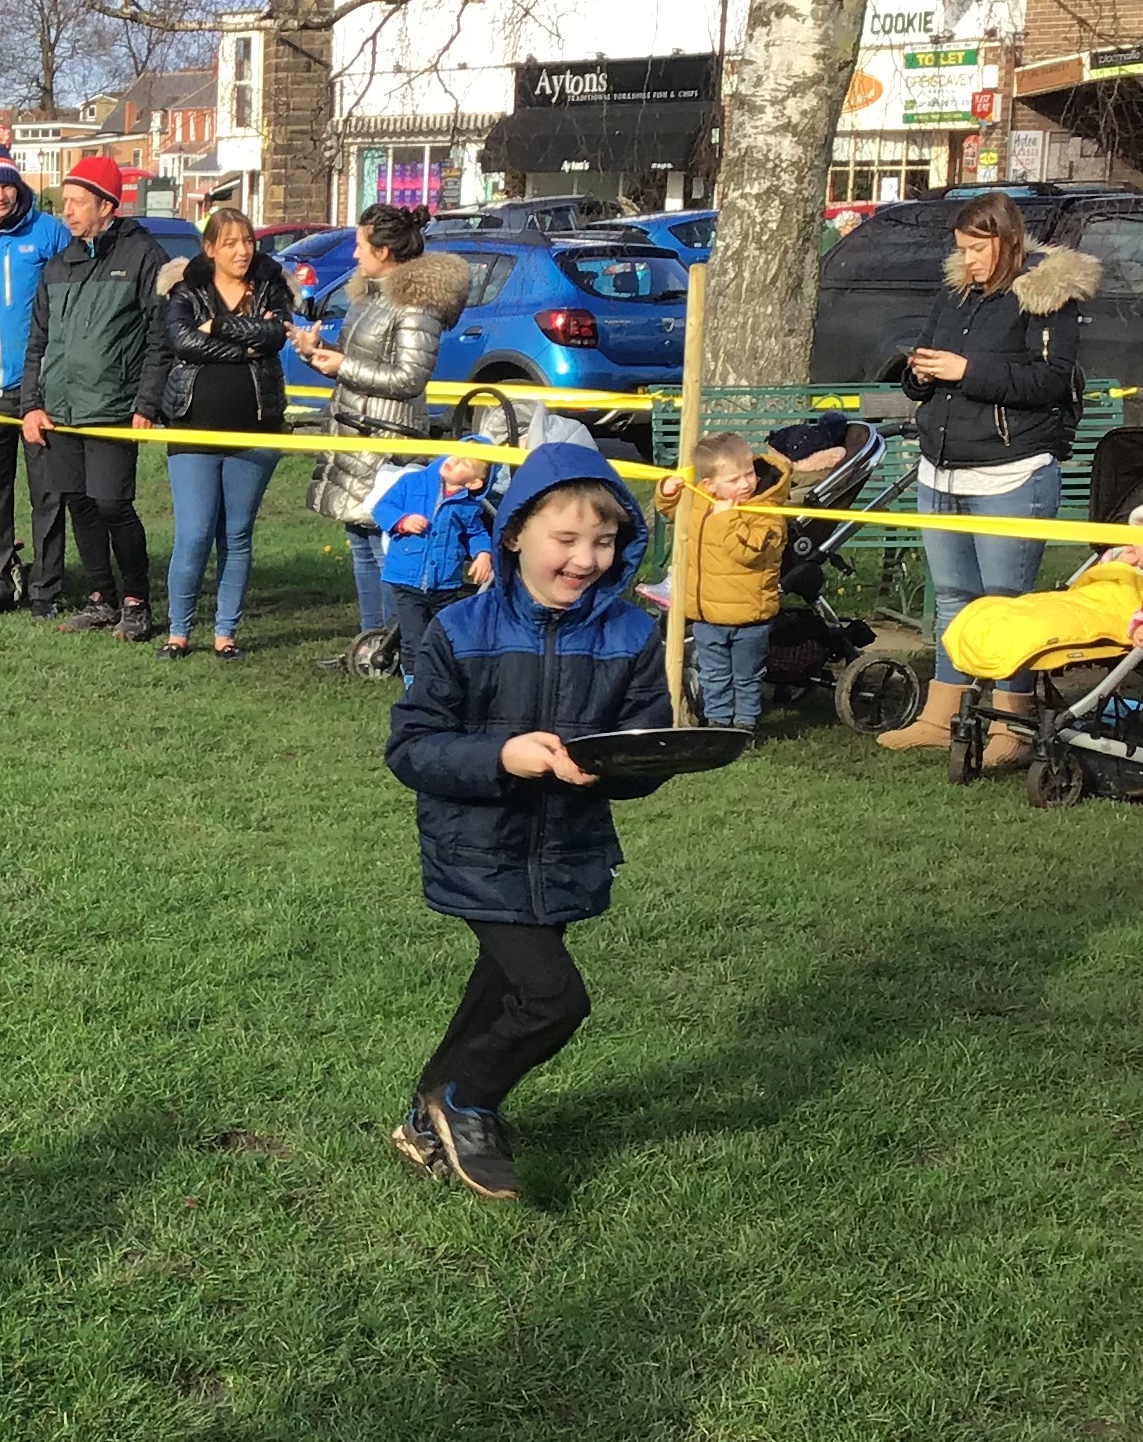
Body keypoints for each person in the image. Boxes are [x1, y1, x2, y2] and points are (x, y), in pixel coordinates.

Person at [385, 443, 672, 1202]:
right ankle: (469, 1100)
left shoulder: (633, 635)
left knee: (498, 987)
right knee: (552, 999)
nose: (586, 559)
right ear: (514, 534)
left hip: (568, 851)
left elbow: (646, 747)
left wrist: (631, 764)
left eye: (604, 542)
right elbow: (412, 748)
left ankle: (425, 1118)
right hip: (478, 846)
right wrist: (502, 755)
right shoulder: (457, 629)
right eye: (567, 539)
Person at [878, 190, 1100, 765]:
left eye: (978, 247)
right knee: (953, 600)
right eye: (962, 248)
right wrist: (920, 377)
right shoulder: (953, 294)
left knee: (1007, 604)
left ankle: (1013, 723)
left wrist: (967, 371)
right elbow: (926, 367)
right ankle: (942, 713)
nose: (969, 259)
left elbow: (1050, 383)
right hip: (942, 467)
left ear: (1007, 240)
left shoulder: (1047, 297)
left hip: (1012, 471)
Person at [287, 203, 469, 646]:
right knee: (360, 544)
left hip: (388, 442)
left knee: (391, 547)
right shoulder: (371, 297)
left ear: (384, 251)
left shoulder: (416, 305)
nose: (354, 255)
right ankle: (373, 640)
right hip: (353, 433)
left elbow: (410, 378)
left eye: (360, 245)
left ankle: (400, 642)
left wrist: (343, 364)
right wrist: (317, 352)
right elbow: (359, 365)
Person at [21, 157, 171, 641]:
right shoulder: (60, 262)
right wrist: (31, 404)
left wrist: (146, 404)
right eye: (64, 201)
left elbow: (160, 338)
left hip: (112, 410)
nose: (66, 211)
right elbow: (38, 342)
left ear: (107, 205)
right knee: (79, 504)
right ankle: (101, 598)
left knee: (112, 505)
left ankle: (136, 601)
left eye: (77, 202)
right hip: (59, 412)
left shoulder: (143, 254)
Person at [156, 207, 295, 660]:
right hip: (192, 428)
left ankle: (225, 634)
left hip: (256, 431)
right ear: (210, 248)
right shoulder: (185, 289)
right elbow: (181, 340)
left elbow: (274, 335)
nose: (242, 250)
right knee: (194, 533)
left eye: (248, 241)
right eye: (231, 242)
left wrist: (218, 326)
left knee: (236, 535)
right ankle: (178, 632)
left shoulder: (272, 286)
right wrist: (241, 351)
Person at [654, 431, 791, 738]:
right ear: (709, 485)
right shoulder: (702, 502)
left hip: (748, 615)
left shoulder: (767, 512)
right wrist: (668, 490)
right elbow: (672, 511)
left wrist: (725, 520)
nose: (745, 484)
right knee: (714, 674)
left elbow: (747, 553)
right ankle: (717, 724)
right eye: (733, 480)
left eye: (749, 474)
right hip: (707, 614)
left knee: (746, 676)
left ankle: (745, 724)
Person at [0, 148, 69, 615]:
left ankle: (46, 588)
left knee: (47, 491)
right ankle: (4, 580)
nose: (0, 195)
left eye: (6, 184)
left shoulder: (47, 233)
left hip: (36, 388)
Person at [371, 441, 493, 681]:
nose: (454, 460)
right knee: (413, 637)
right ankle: (414, 684)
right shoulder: (412, 482)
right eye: (455, 455)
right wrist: (401, 521)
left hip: (445, 583)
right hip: (406, 578)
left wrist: (483, 554)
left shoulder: (467, 505)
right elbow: (383, 507)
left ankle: (440, 678)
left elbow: (475, 533)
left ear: (474, 482)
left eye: (465, 462)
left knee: (443, 634)